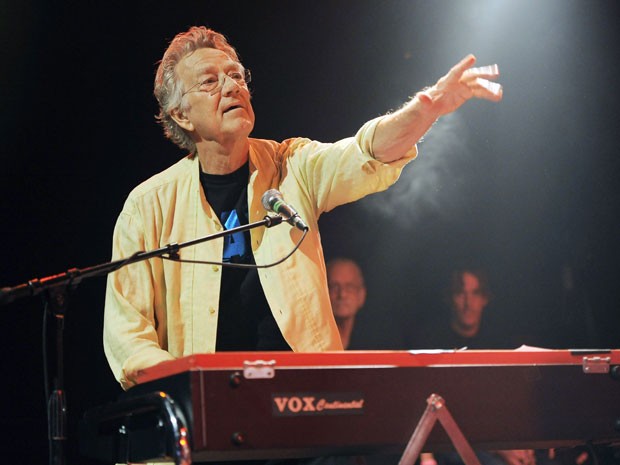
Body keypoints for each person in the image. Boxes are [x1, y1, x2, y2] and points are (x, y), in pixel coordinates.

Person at [103, 25, 503, 392]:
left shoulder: (291, 164)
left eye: (237, 76)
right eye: (210, 81)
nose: (231, 86)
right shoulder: (149, 207)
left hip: (306, 399)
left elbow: (365, 153)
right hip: (209, 410)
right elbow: (128, 336)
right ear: (180, 114)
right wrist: (188, 390)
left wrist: (426, 108)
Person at [326, 258, 367, 349]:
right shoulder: (309, 341)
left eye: (349, 287)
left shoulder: (375, 341)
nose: (342, 294)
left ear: (361, 295)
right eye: (334, 287)